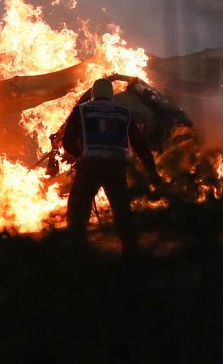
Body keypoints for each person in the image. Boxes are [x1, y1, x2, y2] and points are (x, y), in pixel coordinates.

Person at [60, 77, 163, 256]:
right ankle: (131, 252)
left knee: (78, 208)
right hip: (116, 166)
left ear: (93, 94)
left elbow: (67, 141)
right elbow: (140, 145)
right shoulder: (124, 112)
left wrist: (79, 156)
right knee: (122, 209)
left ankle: (77, 250)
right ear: (111, 95)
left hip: (90, 165)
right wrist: (151, 171)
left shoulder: (81, 111)